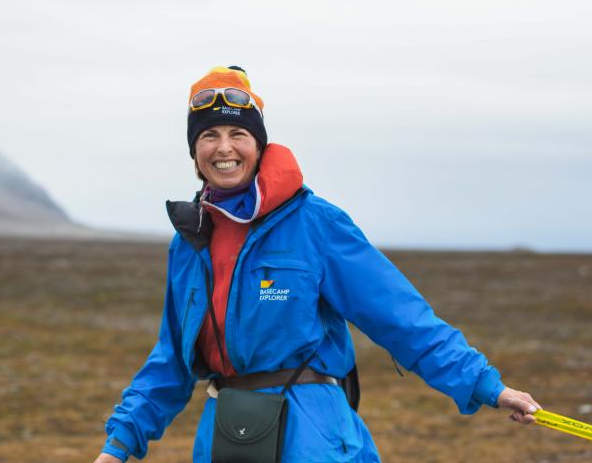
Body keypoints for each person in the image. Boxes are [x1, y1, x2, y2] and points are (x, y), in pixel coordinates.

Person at [94, 66, 541, 463]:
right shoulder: (190, 241)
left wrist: (485, 385)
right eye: (208, 136)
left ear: (258, 146)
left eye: (238, 135)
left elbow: (400, 316)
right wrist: (118, 444)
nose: (223, 148)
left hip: (314, 439)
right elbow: (171, 360)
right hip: (225, 439)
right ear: (195, 152)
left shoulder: (315, 223)